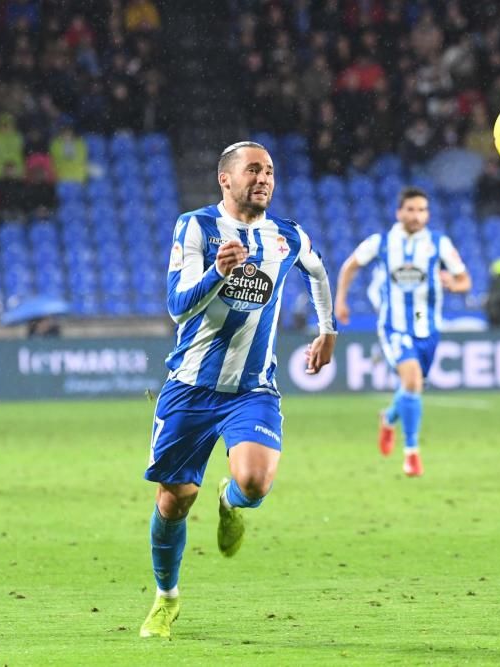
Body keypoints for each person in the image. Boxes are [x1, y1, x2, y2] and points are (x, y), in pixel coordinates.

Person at [139, 141, 337, 638]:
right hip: (190, 387)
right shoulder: (196, 227)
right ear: (225, 179)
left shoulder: (286, 235)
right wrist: (217, 271)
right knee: (174, 501)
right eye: (253, 170)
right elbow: (178, 307)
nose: (264, 178)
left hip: (253, 388)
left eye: (269, 171)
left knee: (253, 483)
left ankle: (230, 502)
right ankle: (166, 598)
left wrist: (327, 328)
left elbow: (318, 271)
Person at [334, 187, 471, 477]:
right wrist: (341, 300)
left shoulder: (438, 243)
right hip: (394, 324)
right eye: (410, 209)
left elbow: (465, 281)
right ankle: (412, 454)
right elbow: (350, 266)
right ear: (399, 212)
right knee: (411, 380)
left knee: (413, 386)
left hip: (428, 325)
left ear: (427, 214)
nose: (416, 215)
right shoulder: (381, 242)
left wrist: (451, 283)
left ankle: (389, 417)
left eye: (422, 210)